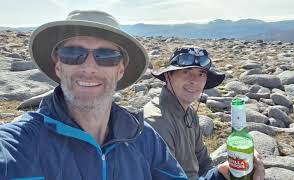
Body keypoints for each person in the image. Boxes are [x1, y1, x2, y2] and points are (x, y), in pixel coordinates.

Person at [0, 10, 188, 180]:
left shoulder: (143, 138)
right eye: (73, 53)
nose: (89, 68)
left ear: (120, 70)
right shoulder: (22, 142)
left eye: (106, 56)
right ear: (58, 66)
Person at [143, 47, 265, 180]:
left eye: (201, 73)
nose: (194, 80)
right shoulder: (156, 121)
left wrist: (232, 169)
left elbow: (203, 161)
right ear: (168, 76)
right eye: (186, 72)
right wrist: (219, 175)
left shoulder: (189, 113)